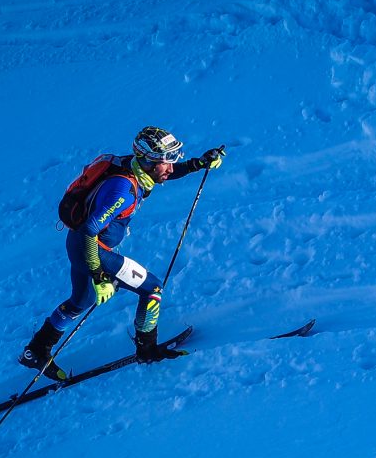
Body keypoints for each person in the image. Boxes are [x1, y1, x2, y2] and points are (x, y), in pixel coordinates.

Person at [19, 126, 224, 380]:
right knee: (152, 288)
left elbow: (164, 174)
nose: (171, 168)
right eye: (166, 162)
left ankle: (36, 350)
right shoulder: (124, 191)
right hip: (91, 249)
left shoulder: (134, 167)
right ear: (149, 161)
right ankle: (147, 350)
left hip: (79, 245)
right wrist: (99, 275)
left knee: (80, 302)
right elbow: (88, 231)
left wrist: (198, 163)